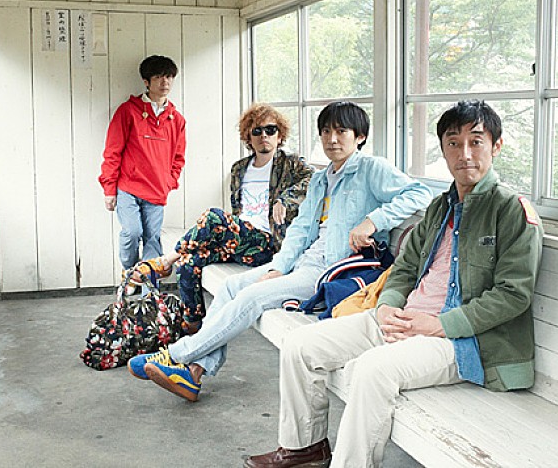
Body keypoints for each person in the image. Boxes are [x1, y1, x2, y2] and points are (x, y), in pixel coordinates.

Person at [245, 100, 544, 468]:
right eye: (453, 143)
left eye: (476, 142)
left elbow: (513, 294)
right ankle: (303, 448)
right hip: (403, 319)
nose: (464, 154)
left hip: (461, 340)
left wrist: (439, 324)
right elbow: (404, 268)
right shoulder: (440, 208)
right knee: (300, 345)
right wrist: (387, 304)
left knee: (371, 369)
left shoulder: (511, 210)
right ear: (443, 149)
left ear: (496, 146)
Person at [127, 101, 433, 402]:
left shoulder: (370, 169)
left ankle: (177, 355)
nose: (332, 139)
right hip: (303, 261)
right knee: (232, 286)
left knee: (251, 297)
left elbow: (419, 193)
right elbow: (301, 228)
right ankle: (193, 374)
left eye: (342, 131)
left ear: (360, 136)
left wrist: (372, 221)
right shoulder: (322, 178)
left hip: (330, 269)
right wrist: (279, 267)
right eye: (326, 132)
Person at [128, 103, 313, 333]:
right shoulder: (240, 169)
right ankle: (193, 323)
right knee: (188, 262)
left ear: (280, 135)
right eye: (257, 131)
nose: (264, 135)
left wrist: (285, 200)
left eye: (270, 130)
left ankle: (165, 261)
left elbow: (314, 179)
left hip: (266, 244)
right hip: (238, 240)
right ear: (248, 137)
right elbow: (237, 212)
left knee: (213, 216)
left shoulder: (290, 164)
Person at [98, 55, 186, 272]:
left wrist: (169, 182)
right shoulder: (128, 111)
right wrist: (109, 189)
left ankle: (149, 286)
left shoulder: (177, 119)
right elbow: (112, 152)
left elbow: (178, 158)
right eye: (158, 77)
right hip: (128, 188)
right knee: (132, 232)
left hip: (157, 190)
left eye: (169, 77)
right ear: (146, 82)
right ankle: (130, 273)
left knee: (152, 239)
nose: (165, 82)